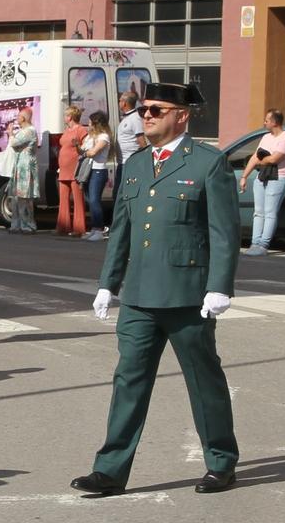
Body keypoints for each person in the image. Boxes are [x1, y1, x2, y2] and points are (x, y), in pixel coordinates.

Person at [73, 81, 240, 498]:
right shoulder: (137, 164)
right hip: (140, 296)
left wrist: (219, 287)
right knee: (128, 380)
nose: (146, 115)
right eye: (144, 109)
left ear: (181, 115)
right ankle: (110, 469)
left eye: (156, 110)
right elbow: (123, 231)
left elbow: (223, 233)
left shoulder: (207, 163)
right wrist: (107, 284)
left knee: (204, 382)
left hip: (187, 296)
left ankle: (221, 461)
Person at [238, 109, 285, 256]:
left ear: (274, 122)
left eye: (267, 120)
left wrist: (262, 159)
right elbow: (255, 157)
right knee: (258, 212)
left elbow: (275, 159)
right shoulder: (265, 138)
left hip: (278, 178)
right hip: (262, 177)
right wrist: (244, 176)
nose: (264, 122)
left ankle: (263, 244)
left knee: (270, 213)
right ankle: (255, 243)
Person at [53, 105, 88, 238]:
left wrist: (78, 146)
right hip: (63, 169)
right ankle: (63, 226)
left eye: (65, 115)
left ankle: (79, 229)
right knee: (63, 198)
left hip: (75, 169)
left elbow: (86, 147)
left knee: (78, 199)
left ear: (70, 117)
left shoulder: (81, 130)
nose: (64, 117)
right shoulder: (67, 130)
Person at [5, 108, 40, 233]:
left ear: (24, 118)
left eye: (19, 116)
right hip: (20, 165)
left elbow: (14, 143)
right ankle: (16, 225)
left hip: (25, 167)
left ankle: (28, 225)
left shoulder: (29, 131)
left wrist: (10, 133)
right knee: (16, 197)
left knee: (24, 197)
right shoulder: (24, 131)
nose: (17, 118)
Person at [82, 111, 115, 241]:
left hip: (99, 171)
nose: (88, 125)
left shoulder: (103, 137)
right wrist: (79, 147)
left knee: (95, 200)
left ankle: (99, 229)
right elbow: (84, 150)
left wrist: (85, 152)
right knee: (89, 200)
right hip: (89, 170)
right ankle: (94, 228)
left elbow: (93, 152)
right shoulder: (90, 136)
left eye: (90, 122)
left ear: (96, 123)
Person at [115, 90, 145, 169]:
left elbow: (142, 142)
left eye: (120, 100)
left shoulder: (135, 118)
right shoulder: (126, 118)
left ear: (124, 103)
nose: (119, 103)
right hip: (122, 162)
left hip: (130, 163)